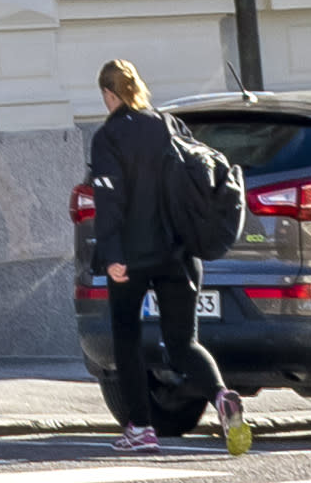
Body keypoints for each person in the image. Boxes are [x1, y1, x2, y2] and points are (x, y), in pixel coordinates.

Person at [86, 58, 236, 451]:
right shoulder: (169, 124)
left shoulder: (108, 138)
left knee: (127, 336)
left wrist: (112, 254)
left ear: (108, 93)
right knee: (184, 342)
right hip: (179, 251)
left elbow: (109, 199)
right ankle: (221, 396)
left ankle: (140, 428)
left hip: (132, 257)